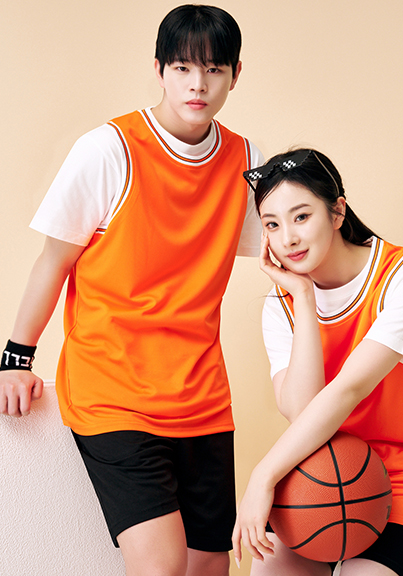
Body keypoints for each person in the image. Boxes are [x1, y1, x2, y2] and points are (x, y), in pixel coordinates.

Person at [0, 5, 262, 576]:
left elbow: (289, 252)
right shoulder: (109, 149)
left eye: (214, 69)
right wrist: (15, 359)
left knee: (210, 566)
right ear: (159, 69)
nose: (198, 84)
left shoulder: (247, 162)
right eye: (183, 68)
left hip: (203, 397)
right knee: (161, 565)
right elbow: (54, 261)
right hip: (114, 389)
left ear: (236, 74)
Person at [232, 148, 403, 576]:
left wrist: (263, 475)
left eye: (301, 217)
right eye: (272, 224)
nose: (288, 239)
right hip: (317, 473)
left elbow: (349, 389)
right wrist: (302, 297)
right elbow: (302, 411)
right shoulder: (281, 304)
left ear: (337, 212)